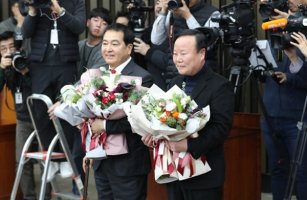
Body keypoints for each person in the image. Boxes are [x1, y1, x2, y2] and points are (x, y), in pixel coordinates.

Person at [142, 29, 235, 200]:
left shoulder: (220, 86)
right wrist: (155, 135)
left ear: (202, 54)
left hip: (204, 175)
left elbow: (221, 129)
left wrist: (189, 146)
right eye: (175, 53)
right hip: (174, 173)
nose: (178, 59)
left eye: (183, 53)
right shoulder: (175, 82)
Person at [22, 0, 86, 193]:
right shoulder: (38, 3)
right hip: (40, 64)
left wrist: (60, 10)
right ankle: (51, 161)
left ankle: (65, 158)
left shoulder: (76, 2)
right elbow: (25, 33)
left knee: (64, 111)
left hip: (65, 64)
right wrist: (33, 10)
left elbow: (79, 26)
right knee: (41, 112)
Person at [87, 23, 153, 200]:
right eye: (105, 43)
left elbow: (137, 120)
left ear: (129, 48)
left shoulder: (141, 77)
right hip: (101, 159)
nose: (108, 49)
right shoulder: (98, 75)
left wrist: (105, 125)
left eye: (114, 44)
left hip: (128, 164)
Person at [0, 30, 47, 200]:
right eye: (3, 48)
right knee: (21, 162)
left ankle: (45, 196)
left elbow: (40, 86)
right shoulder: (5, 67)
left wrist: (25, 71)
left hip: (41, 118)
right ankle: (29, 197)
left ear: (18, 46)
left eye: (11, 46)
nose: (8, 51)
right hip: (22, 119)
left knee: (45, 161)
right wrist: (1, 68)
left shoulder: (28, 60)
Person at [149, 0, 220, 88]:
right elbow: (156, 39)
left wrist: (187, 16)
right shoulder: (173, 11)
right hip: (174, 72)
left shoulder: (213, 13)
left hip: (201, 74)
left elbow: (206, 44)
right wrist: (163, 12)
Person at [77, 7, 112, 79]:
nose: (98, 25)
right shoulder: (78, 45)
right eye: (96, 20)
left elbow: (93, 77)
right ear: (88, 23)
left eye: (104, 23)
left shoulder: (106, 50)